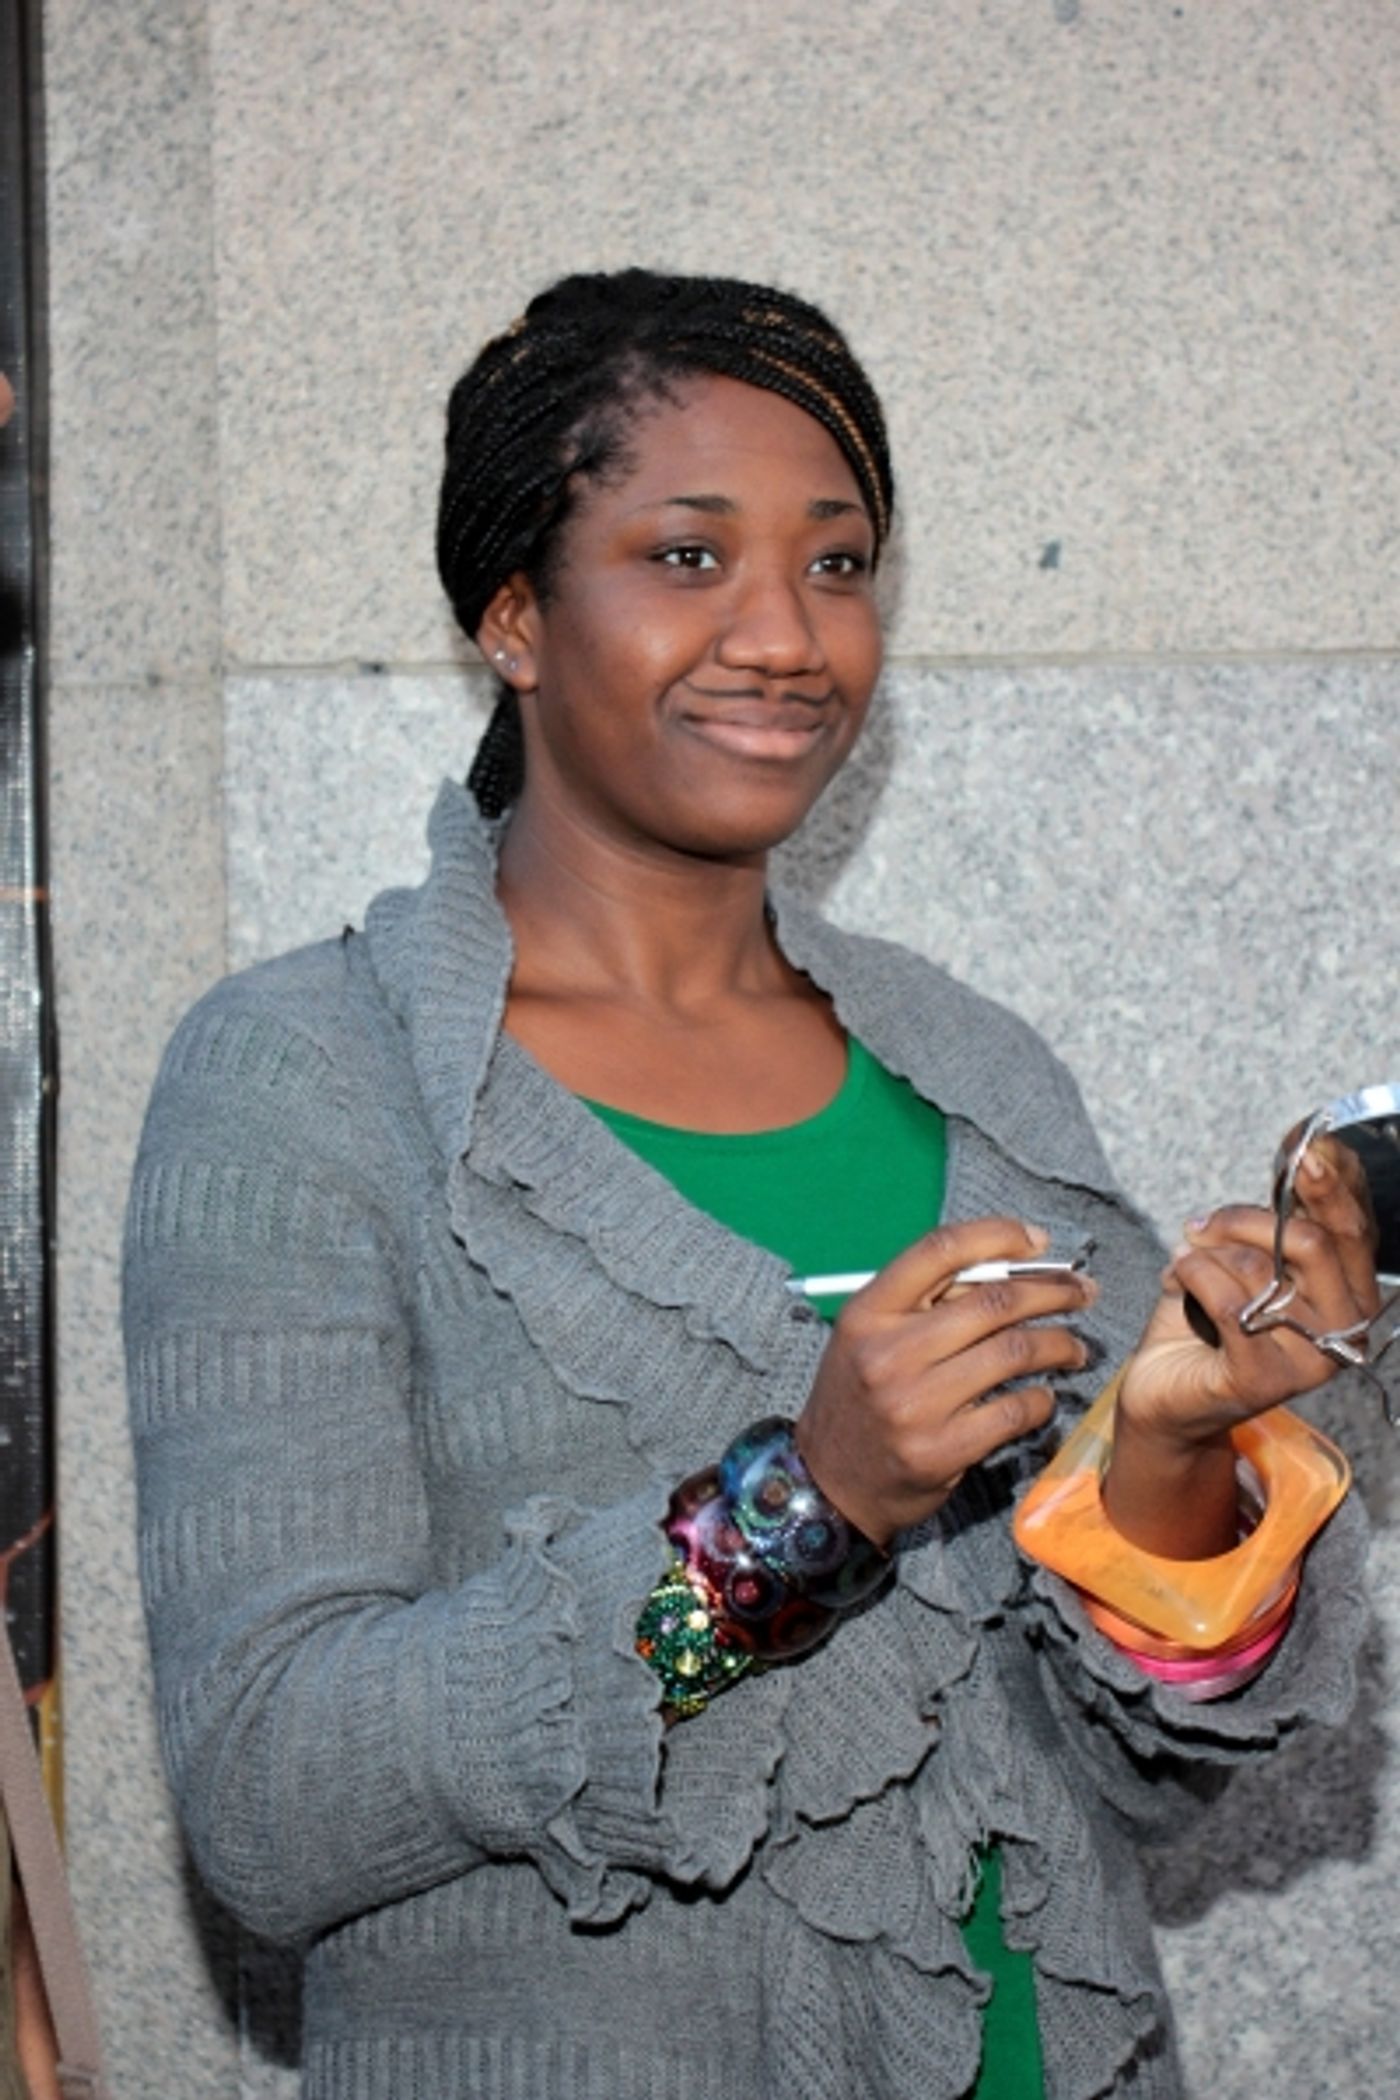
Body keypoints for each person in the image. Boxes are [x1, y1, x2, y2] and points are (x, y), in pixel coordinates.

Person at [124, 271, 1375, 2100]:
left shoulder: (977, 1075)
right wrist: (812, 1503)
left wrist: (1178, 1451)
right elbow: (272, 1798)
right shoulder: (307, 1077)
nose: (787, 634)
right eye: (688, 557)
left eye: (841, 563)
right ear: (513, 618)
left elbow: (1143, 1777)